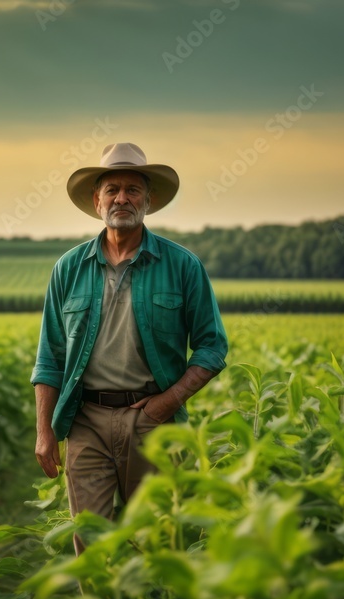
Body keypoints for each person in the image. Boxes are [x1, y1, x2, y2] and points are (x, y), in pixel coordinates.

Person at [30, 142, 228, 555]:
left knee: (154, 541)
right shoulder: (69, 268)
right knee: (91, 542)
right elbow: (50, 357)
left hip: (152, 423)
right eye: (113, 189)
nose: (122, 198)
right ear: (96, 200)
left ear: (149, 200)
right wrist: (44, 431)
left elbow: (212, 347)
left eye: (133, 189)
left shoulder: (181, 265)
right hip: (86, 420)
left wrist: (167, 402)